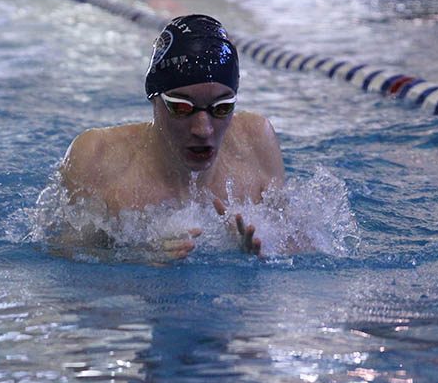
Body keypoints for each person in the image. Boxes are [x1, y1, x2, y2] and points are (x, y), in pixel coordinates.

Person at [59, 14, 294, 260]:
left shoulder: (255, 141)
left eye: (222, 108)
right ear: (154, 98)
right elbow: (63, 258)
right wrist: (137, 257)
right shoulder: (97, 156)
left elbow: (302, 242)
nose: (203, 130)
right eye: (182, 108)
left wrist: (266, 252)